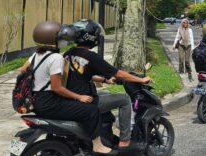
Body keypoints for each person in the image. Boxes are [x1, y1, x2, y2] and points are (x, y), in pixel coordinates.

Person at [20, 21, 112, 154]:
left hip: (35, 100)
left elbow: (22, 71)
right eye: (61, 38)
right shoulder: (56, 58)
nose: (64, 40)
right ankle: (97, 145)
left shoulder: (35, 55)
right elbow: (57, 88)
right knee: (91, 110)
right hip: (49, 102)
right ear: (53, 40)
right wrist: (79, 97)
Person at [64, 19, 152, 148]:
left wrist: (105, 80)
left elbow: (81, 73)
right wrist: (141, 80)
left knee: (107, 93)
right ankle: (125, 140)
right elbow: (118, 74)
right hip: (85, 100)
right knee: (124, 99)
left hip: (72, 98)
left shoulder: (70, 53)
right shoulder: (91, 56)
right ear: (91, 37)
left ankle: (105, 132)